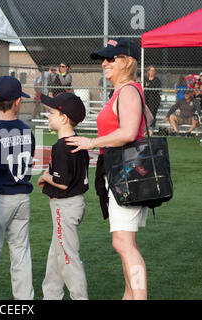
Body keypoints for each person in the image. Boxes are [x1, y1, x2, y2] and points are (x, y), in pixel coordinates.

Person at [66, 38, 154, 300]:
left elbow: (128, 132)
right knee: (125, 242)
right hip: (123, 171)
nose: (105, 63)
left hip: (125, 172)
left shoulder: (127, 91)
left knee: (123, 243)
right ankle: (130, 296)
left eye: (111, 58)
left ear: (127, 62)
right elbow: (146, 119)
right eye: (103, 59)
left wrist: (91, 142)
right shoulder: (127, 91)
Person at [0, 76, 35, 300]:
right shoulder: (26, 130)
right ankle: (24, 300)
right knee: (20, 253)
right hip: (21, 197)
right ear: (18, 102)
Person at [37, 92, 89, 300]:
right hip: (74, 204)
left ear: (64, 118)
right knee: (56, 255)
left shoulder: (61, 146)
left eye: (51, 112)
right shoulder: (78, 141)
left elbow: (63, 182)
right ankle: (51, 296)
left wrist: (46, 176)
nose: (48, 116)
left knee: (68, 258)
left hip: (65, 207)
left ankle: (79, 297)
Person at [144, 65, 162, 136]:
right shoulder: (145, 79)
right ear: (148, 71)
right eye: (151, 70)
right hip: (146, 99)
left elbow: (156, 89)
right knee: (145, 114)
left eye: (153, 70)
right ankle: (145, 128)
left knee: (152, 114)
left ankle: (151, 129)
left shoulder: (157, 80)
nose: (152, 72)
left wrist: (149, 86)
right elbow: (145, 87)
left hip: (154, 100)